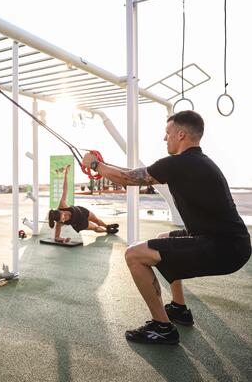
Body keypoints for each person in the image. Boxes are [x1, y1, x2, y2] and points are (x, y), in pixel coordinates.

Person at [82, 110, 251, 345]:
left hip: (223, 247)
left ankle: (162, 327)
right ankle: (179, 308)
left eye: (168, 133)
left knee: (134, 254)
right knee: (163, 238)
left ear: (180, 134)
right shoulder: (196, 161)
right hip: (230, 242)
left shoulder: (180, 163)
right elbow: (129, 174)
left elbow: (127, 179)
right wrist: (101, 164)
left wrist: (95, 164)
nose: (165, 138)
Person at [48, 164, 119, 243]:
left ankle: (107, 226)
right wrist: (64, 240)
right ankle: (107, 231)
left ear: (61, 211)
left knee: (97, 220)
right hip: (80, 223)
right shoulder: (58, 222)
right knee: (95, 228)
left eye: (63, 217)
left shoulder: (62, 205)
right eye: (62, 221)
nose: (64, 220)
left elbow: (65, 189)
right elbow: (57, 238)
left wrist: (66, 174)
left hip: (82, 211)